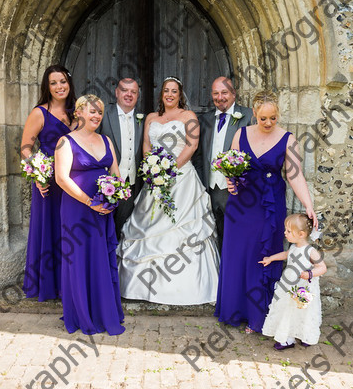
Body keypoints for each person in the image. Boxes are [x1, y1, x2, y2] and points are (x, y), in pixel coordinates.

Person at [215, 90, 318, 333]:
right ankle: (234, 310)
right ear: (254, 114)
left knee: (262, 257)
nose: (269, 123)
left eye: (273, 118)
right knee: (238, 255)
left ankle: (258, 317)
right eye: (263, 118)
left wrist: (308, 205)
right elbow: (232, 167)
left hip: (269, 208)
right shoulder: (241, 134)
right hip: (240, 206)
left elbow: (294, 175)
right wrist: (231, 181)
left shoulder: (288, 139)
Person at [118, 77, 219, 305]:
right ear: (161, 94)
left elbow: (192, 145)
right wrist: (152, 169)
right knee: (149, 227)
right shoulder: (152, 118)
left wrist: (171, 170)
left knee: (183, 230)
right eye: (166, 91)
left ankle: (186, 288)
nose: (170, 95)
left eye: (174, 91)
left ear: (180, 94)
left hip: (182, 179)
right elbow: (146, 144)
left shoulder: (189, 117)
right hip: (155, 178)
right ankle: (140, 289)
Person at [54, 95, 125, 335]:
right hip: (77, 209)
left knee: (100, 259)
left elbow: (115, 172)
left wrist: (116, 193)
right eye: (91, 111)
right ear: (79, 112)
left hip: (102, 209)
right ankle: (82, 313)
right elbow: (61, 178)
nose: (96, 116)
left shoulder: (106, 140)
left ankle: (104, 312)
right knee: (79, 258)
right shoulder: (65, 142)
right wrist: (89, 201)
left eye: (99, 112)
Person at [20, 65, 77, 301]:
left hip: (72, 181)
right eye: (53, 83)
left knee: (69, 231)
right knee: (49, 229)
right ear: (47, 87)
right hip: (48, 183)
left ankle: (68, 285)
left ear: (69, 83)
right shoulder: (39, 113)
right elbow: (25, 148)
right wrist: (38, 174)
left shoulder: (76, 113)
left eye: (62, 81)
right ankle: (47, 286)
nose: (59, 87)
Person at [195, 77, 254, 250]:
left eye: (224, 93)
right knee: (214, 235)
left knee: (237, 235)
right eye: (216, 93)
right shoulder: (204, 120)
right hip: (209, 190)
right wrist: (202, 184)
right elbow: (199, 157)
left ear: (234, 94)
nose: (220, 97)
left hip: (236, 192)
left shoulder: (249, 116)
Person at [260, 214, 326, 350]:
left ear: (301, 234)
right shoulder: (294, 247)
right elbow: (286, 255)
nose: (285, 233)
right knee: (288, 310)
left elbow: (322, 267)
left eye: (288, 231)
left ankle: (305, 334)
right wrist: (271, 258)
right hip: (289, 285)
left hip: (303, 288)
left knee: (304, 312)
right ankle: (287, 338)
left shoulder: (310, 251)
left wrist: (310, 274)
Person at [98, 78, 144, 240]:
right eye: (125, 90)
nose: (129, 95)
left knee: (123, 229)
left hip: (131, 186)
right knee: (102, 228)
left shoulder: (143, 120)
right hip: (103, 185)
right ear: (117, 92)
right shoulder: (103, 115)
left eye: (133, 92)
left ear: (138, 95)